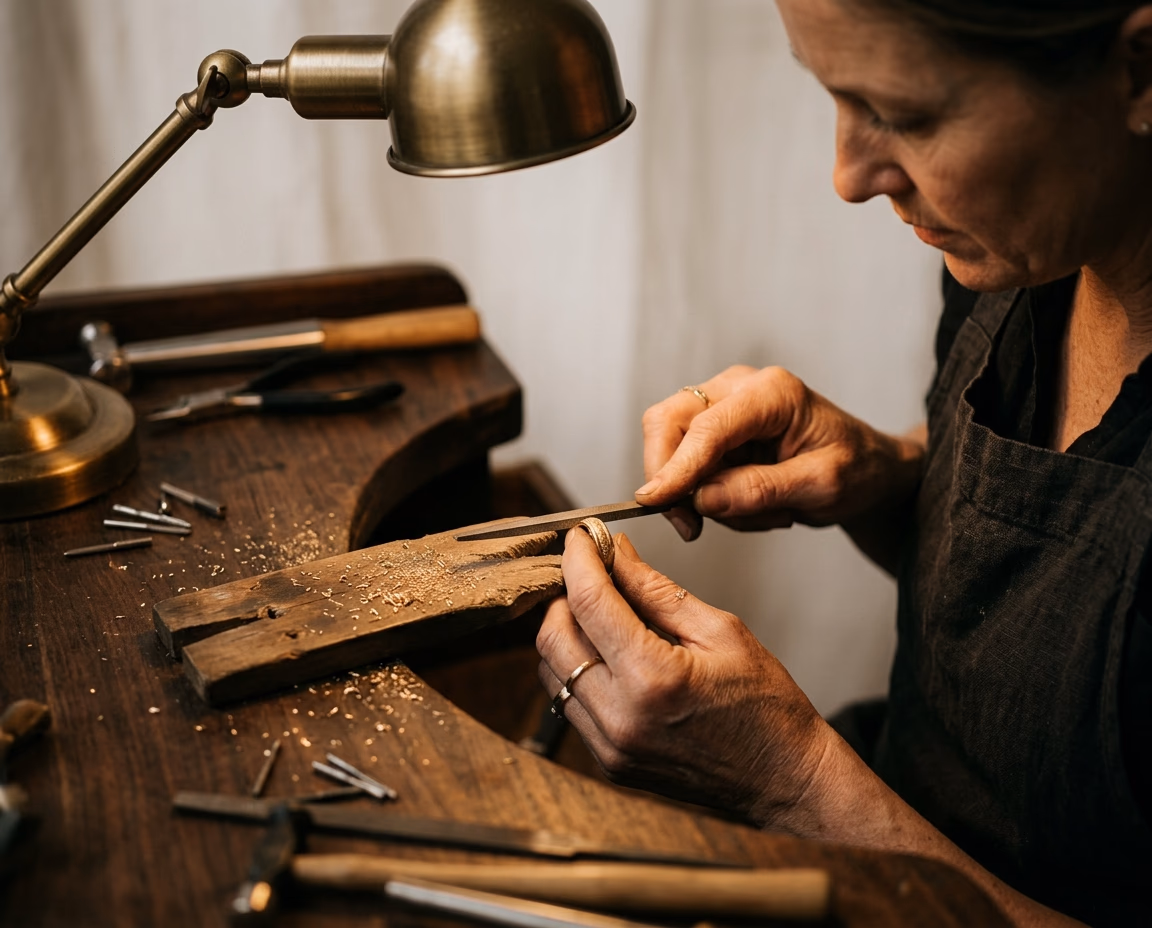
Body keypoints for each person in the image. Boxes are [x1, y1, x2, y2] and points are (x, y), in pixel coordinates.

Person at [534, 2, 1152, 926]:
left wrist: (794, 781)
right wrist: (890, 479)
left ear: (1140, 69)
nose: (848, 178)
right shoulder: (1030, 254)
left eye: (904, 115)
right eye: (832, 94)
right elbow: (1050, 613)